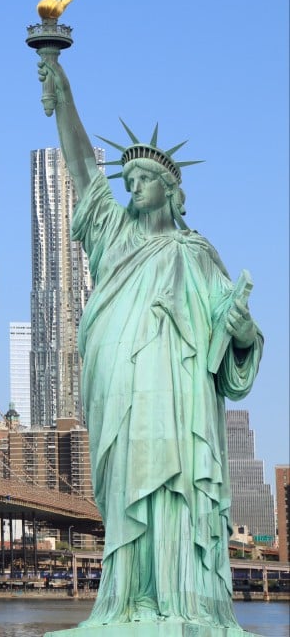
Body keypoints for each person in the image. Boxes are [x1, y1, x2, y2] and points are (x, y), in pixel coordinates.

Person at [37, 56, 263, 627]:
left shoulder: (197, 254)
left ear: (171, 190)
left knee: (175, 491)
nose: (132, 187)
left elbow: (233, 340)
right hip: (122, 390)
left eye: (144, 181)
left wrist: (239, 335)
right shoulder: (112, 234)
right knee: (127, 489)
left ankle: (181, 604)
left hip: (178, 395)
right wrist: (61, 93)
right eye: (129, 181)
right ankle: (127, 604)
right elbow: (85, 170)